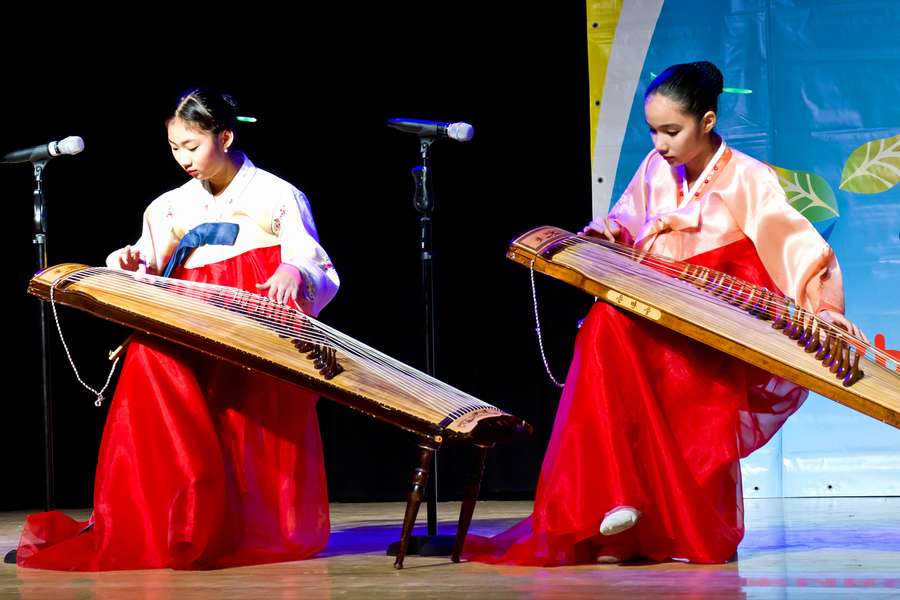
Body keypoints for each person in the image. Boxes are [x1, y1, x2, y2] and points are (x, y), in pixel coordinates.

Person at [465, 61, 865, 566]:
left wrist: (824, 309)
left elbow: (800, 250)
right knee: (604, 325)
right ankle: (618, 495)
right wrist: (610, 232)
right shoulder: (656, 169)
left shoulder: (748, 179)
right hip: (656, 315)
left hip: (712, 327)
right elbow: (627, 221)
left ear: (708, 121)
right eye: (653, 131)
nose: (659, 144)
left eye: (671, 131)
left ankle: (634, 504)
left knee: (611, 335)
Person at [13, 88, 340, 570]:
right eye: (174, 147)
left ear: (224, 137)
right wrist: (131, 263)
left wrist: (293, 271)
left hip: (253, 323)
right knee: (148, 363)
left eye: (192, 145)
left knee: (249, 426)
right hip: (191, 321)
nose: (183, 158)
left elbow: (311, 260)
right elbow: (152, 263)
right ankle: (170, 521)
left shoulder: (276, 194)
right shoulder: (168, 206)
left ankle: (240, 526)